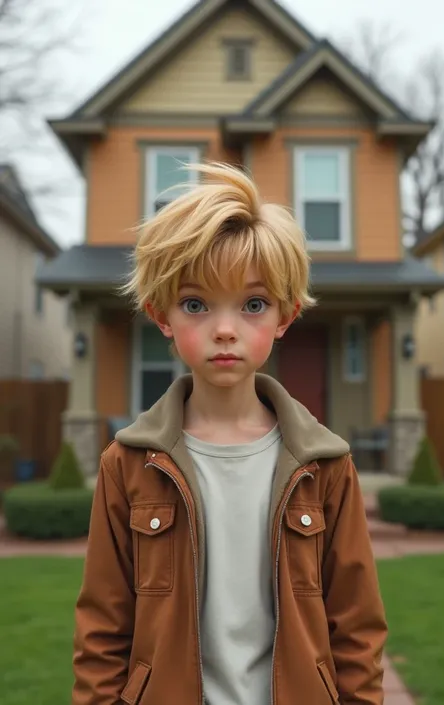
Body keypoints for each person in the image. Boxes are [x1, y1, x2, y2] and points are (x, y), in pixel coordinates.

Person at [72, 162, 387, 705]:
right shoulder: (125, 465)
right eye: (195, 304)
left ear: (285, 317)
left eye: (253, 304)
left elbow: (357, 629)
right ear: (161, 315)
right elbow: (102, 631)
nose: (224, 328)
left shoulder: (327, 465)